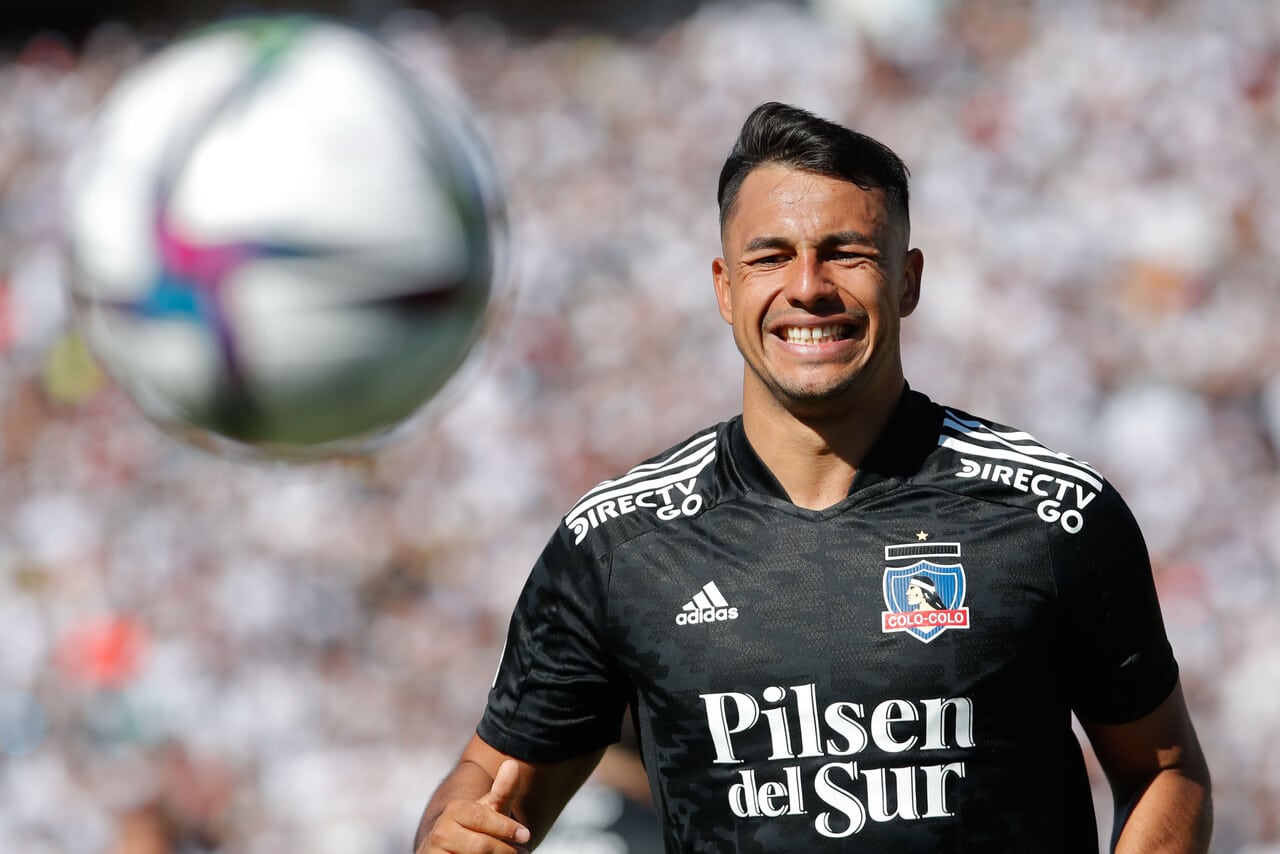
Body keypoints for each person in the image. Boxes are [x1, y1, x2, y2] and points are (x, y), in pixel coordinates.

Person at [414, 101, 1212, 852]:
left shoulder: (1050, 514)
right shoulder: (620, 544)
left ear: (908, 279)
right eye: (771, 256)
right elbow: (487, 784)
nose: (807, 287)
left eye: (846, 253)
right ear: (725, 287)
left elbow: (1164, 770)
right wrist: (452, 829)